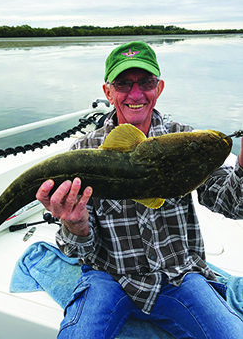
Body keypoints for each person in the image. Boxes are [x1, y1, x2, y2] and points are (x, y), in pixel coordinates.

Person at [36, 41, 243, 339]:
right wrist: (75, 224)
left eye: (145, 82)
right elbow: (79, 250)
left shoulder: (184, 140)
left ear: (158, 88)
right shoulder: (85, 152)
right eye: (123, 84)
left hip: (178, 277)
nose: (135, 94)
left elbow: (233, 203)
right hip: (108, 278)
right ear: (108, 92)